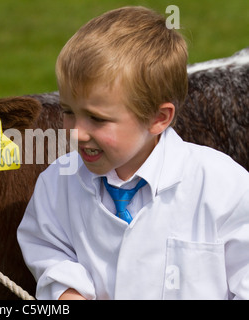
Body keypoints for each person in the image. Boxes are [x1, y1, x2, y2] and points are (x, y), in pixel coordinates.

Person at [17, 6, 249, 300]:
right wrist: (66, 289)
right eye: (68, 112)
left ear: (158, 118)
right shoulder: (57, 183)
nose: (76, 132)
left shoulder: (224, 187)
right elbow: (47, 246)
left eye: (98, 119)